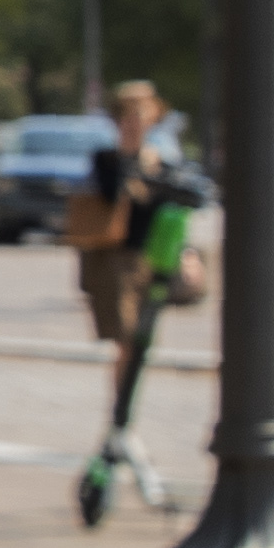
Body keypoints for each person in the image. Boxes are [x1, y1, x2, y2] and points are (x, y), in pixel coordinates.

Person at [63, 77, 177, 347]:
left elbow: (168, 209)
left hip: (148, 256)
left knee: (141, 343)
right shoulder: (107, 159)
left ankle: (124, 390)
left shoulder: (161, 162)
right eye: (129, 117)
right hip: (113, 256)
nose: (136, 124)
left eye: (143, 116)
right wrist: (130, 157)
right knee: (125, 339)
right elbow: (111, 194)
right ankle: (121, 391)